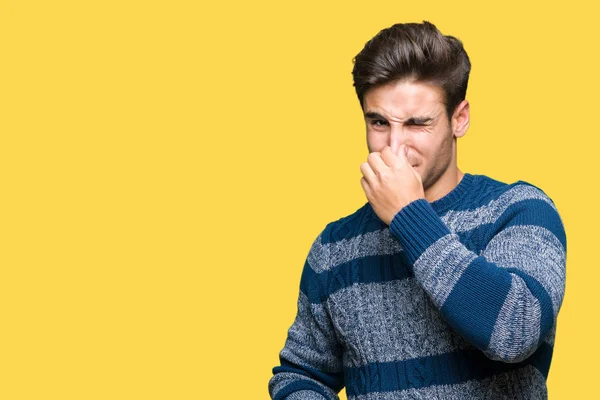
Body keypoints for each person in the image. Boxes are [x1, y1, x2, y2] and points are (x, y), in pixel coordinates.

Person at [268, 21, 566, 400]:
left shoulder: (520, 212)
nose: (395, 147)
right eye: (379, 123)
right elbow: (300, 375)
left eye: (417, 124)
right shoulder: (334, 248)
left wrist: (410, 216)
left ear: (459, 119)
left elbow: (516, 330)